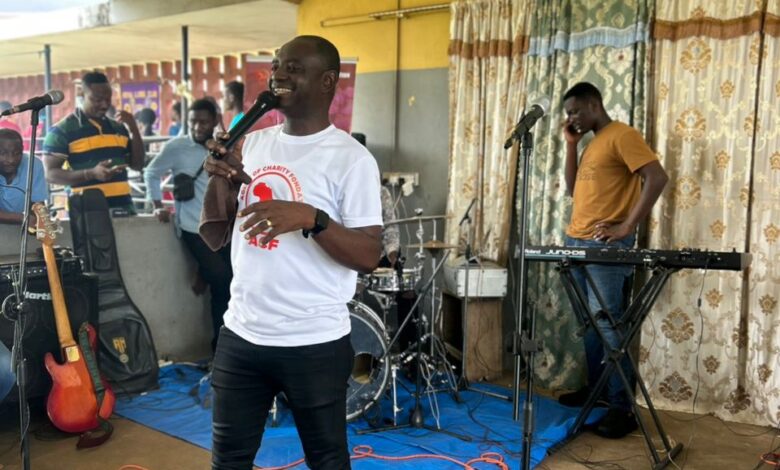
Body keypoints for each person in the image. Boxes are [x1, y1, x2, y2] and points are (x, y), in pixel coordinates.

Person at [203, 35, 382, 469]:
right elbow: (214, 232)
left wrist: (311, 218)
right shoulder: (254, 142)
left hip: (314, 341)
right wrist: (221, 178)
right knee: (228, 460)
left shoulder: (351, 159)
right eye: (278, 65)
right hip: (242, 334)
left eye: (294, 68)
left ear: (327, 82)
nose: (279, 75)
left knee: (327, 460)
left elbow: (368, 255)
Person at [559, 82, 668, 439]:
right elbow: (574, 189)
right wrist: (571, 145)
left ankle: (622, 410)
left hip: (605, 246)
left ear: (594, 103)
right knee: (590, 324)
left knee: (609, 325)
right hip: (576, 240)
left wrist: (626, 227)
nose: (571, 117)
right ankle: (597, 393)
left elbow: (656, 177)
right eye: (568, 113)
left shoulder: (622, 134)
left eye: (575, 110)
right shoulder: (591, 142)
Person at [144, 99, 232, 352]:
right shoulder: (176, 146)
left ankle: (203, 273)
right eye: (192, 121)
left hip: (222, 227)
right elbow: (151, 172)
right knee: (223, 281)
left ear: (215, 121)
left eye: (203, 121)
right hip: (194, 228)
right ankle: (219, 348)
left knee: (231, 283)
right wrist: (156, 204)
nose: (197, 126)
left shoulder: (225, 146)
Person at [42, 72, 144, 214]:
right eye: (97, 99)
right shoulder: (61, 131)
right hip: (85, 213)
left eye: (108, 99)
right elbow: (50, 174)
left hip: (124, 209)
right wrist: (90, 174)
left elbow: (138, 165)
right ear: (81, 95)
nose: (104, 105)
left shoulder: (118, 127)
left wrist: (134, 129)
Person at [0, 128, 48, 224]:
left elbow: (38, 204)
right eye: (3, 153)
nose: (11, 160)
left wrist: (40, 220)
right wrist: (22, 218)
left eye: (17, 153)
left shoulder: (33, 165)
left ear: (22, 150)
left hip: (19, 231)